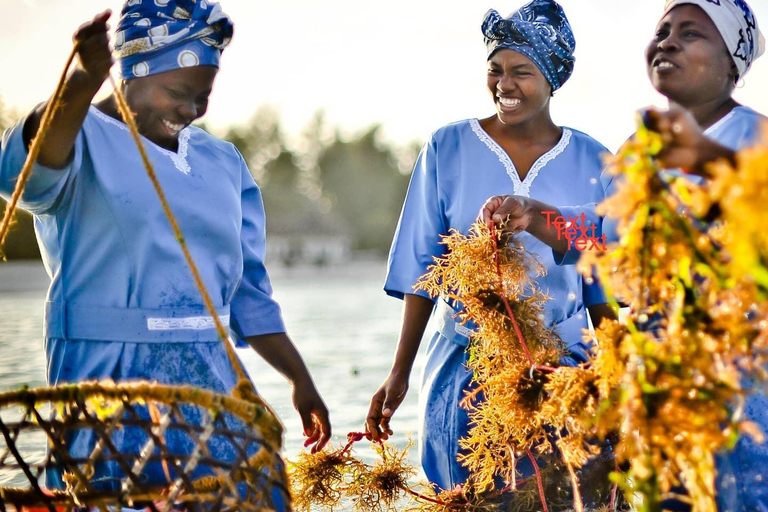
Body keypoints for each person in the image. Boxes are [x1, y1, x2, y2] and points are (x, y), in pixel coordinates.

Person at [0, 1, 330, 507]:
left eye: (202, 96)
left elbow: (247, 295)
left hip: (212, 386)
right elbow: (25, 177)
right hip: (111, 391)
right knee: (128, 497)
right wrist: (82, 82)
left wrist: (299, 378)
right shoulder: (77, 134)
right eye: (177, 93)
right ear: (129, 72)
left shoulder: (221, 161)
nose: (190, 110)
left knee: (239, 494)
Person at [481, 1, 767, 509]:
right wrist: (535, 213)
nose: (669, 41)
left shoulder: (755, 137)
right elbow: (607, 234)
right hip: (658, 394)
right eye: (662, 30)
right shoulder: (641, 147)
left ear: (732, 63)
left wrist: (705, 158)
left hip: (739, 393)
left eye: (692, 33)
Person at [365, 0, 613, 497]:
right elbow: (424, 270)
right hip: (465, 370)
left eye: (522, 71)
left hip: (565, 370)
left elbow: (599, 278)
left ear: (552, 79)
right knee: (468, 495)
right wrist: (399, 371)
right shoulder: (447, 147)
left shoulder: (594, 158)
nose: (505, 83)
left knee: (567, 498)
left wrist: (617, 373)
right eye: (495, 69)